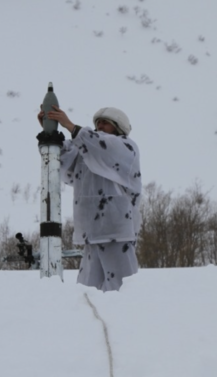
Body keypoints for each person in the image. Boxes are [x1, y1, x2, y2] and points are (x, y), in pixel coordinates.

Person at [38, 105, 142, 292]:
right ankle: (90, 321)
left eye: (106, 123)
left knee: (124, 290)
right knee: (87, 292)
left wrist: (70, 126)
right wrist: (49, 133)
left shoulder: (126, 147)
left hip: (117, 231)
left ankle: (128, 320)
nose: (100, 125)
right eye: (98, 123)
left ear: (118, 127)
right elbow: (61, 163)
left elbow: (102, 146)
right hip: (91, 232)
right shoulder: (88, 150)